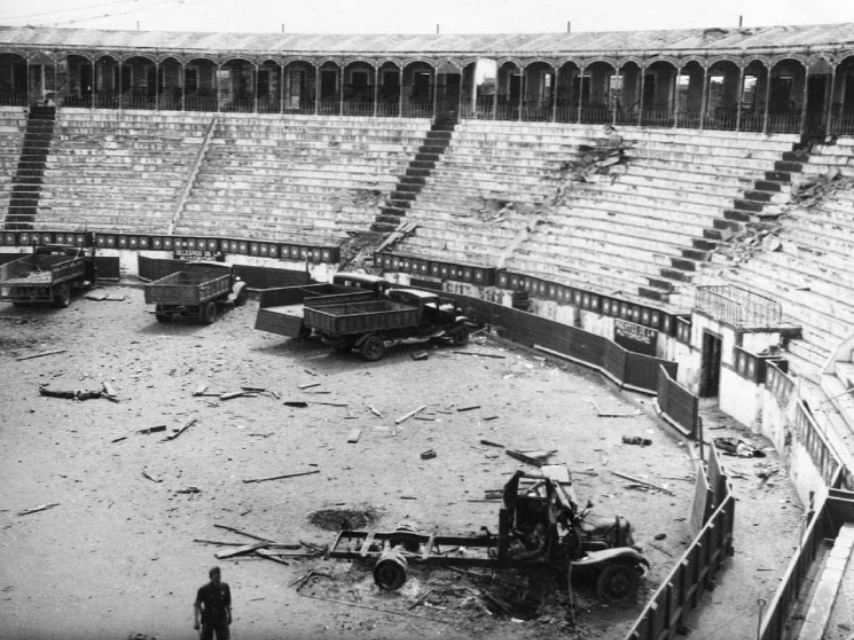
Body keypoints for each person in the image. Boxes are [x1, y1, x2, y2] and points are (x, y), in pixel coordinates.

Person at [194, 566, 232, 640]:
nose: (218, 579)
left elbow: (227, 603)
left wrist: (230, 616)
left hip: (221, 617)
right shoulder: (204, 589)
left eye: (219, 577)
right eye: (216, 577)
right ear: (211, 577)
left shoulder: (225, 587)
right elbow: (197, 605)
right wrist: (196, 621)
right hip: (208, 618)